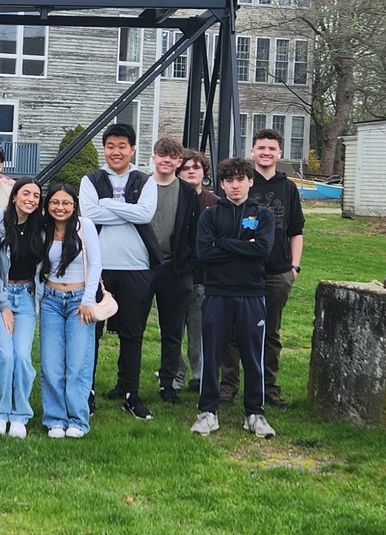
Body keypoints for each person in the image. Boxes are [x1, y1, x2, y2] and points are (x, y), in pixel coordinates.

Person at [218, 129, 307, 409]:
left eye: (271, 148)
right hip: (241, 272)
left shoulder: (288, 188)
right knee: (233, 332)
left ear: (279, 153)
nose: (266, 152)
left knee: (270, 333)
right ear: (252, 151)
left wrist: (294, 267)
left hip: (277, 272)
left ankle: (269, 388)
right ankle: (228, 387)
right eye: (261, 148)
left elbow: (296, 231)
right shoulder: (242, 181)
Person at [194, 158, 281, 439]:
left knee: (253, 357)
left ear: (250, 181)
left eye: (241, 179)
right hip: (217, 293)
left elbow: (262, 250)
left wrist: (222, 243)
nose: (235, 185)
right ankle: (208, 412)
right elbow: (204, 253)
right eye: (229, 180)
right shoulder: (210, 215)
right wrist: (244, 246)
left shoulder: (263, 215)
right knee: (212, 355)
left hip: (251, 294)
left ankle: (255, 414)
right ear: (221, 184)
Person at [80, 123, 161, 421]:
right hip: (98, 270)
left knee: (132, 334)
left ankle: (130, 394)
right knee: (91, 334)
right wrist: (127, 209)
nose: (116, 152)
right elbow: (89, 214)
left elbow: (145, 214)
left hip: (137, 268)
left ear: (132, 149)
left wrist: (108, 204)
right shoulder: (91, 179)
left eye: (122, 146)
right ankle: (86, 392)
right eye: (110, 146)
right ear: (104, 149)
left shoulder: (145, 180)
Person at [36, 184, 103, 439]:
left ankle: (77, 419)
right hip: (51, 301)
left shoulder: (85, 227)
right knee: (51, 364)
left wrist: (88, 299)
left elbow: (95, 264)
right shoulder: (44, 229)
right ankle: (55, 418)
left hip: (79, 301)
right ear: (47, 205)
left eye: (66, 203)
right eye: (55, 202)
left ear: (74, 206)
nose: (60, 207)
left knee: (78, 364)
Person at [0, 177, 44, 438]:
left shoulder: (40, 227)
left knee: (22, 356)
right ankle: (0, 413)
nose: (31, 199)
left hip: (27, 297)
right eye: (26, 193)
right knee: (4, 357)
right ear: (15, 196)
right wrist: (4, 305)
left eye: (36, 196)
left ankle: (19, 415)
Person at [150, 140, 212, 403]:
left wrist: (188, 264)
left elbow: (194, 234)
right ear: (154, 157)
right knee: (144, 330)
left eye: (173, 156)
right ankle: (132, 383)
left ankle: (178, 382)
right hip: (146, 268)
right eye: (162, 155)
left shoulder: (192, 195)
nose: (167, 160)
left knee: (181, 331)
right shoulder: (142, 187)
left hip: (180, 271)